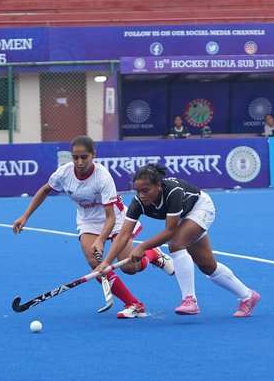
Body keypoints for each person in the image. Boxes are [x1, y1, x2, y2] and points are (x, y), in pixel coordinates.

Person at [12, 135, 175, 319]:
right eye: (75, 157)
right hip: (87, 221)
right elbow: (45, 190)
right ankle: (134, 304)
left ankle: (153, 253)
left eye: (84, 157)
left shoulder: (103, 177)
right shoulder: (64, 173)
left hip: (116, 220)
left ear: (93, 155)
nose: (79, 162)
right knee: (96, 265)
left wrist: (100, 239)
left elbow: (110, 217)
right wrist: (25, 216)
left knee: (131, 268)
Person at [97, 163, 260, 317]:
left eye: (146, 190)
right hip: (183, 216)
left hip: (200, 208)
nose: (141, 195)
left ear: (158, 186)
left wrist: (143, 247)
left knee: (176, 243)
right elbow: (124, 234)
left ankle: (190, 300)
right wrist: (107, 263)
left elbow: (170, 231)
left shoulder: (173, 192)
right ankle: (248, 296)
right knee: (208, 266)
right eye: (138, 191)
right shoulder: (138, 202)